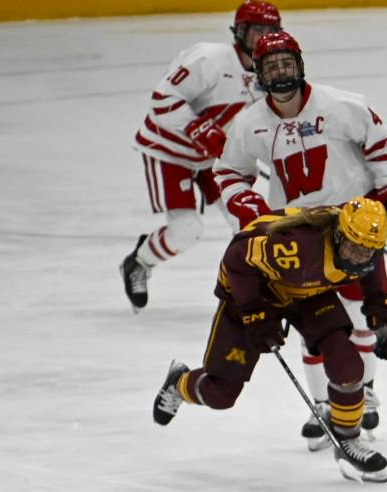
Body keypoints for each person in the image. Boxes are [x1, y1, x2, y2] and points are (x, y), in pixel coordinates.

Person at [210, 30, 387, 453]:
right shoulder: (250, 123)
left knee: (363, 314)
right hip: (299, 237)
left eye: (287, 62)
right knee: (313, 325)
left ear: (301, 64)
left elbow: (381, 146)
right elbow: (229, 172)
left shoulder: (343, 106)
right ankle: (322, 402)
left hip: (353, 229)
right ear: (258, 72)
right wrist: (249, 204)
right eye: (271, 66)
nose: (281, 71)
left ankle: (365, 390)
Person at [151, 199, 387, 484]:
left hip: (308, 292)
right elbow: (237, 259)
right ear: (339, 234)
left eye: (366, 251)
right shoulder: (298, 245)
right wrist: (255, 312)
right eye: (352, 247)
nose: (357, 258)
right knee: (221, 394)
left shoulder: (361, 247)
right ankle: (179, 383)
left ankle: (347, 441)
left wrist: (381, 308)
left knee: (347, 366)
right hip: (252, 292)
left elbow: (370, 267)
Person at [116, 2, 283, 312]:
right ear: (240, 32)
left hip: (215, 157)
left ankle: (251, 287)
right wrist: (198, 127)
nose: (262, 38)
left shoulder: (271, 72)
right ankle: (139, 262)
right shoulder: (209, 59)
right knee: (186, 230)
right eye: (255, 30)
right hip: (170, 149)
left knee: (245, 219)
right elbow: (162, 99)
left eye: (268, 31)